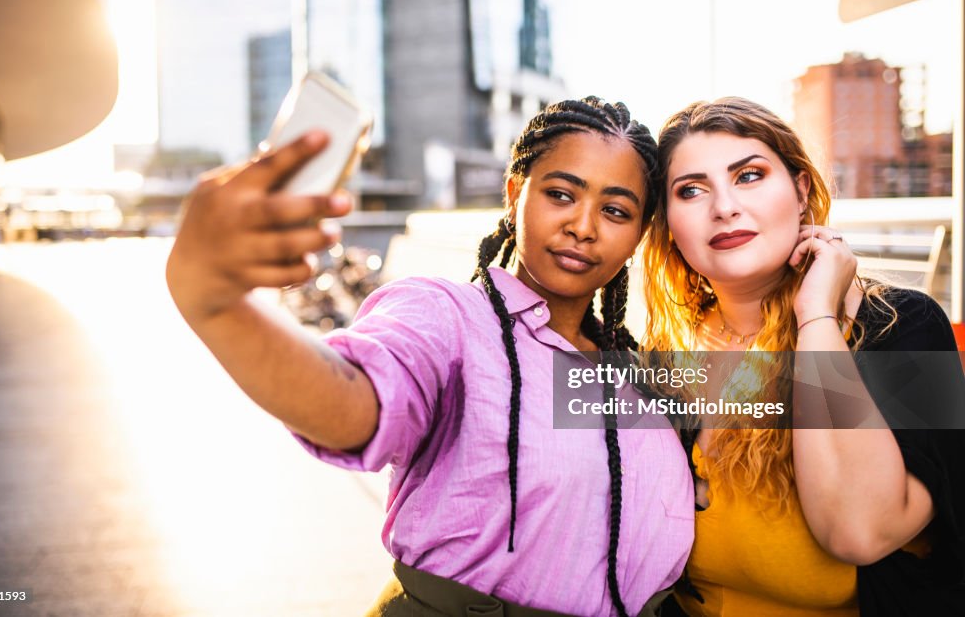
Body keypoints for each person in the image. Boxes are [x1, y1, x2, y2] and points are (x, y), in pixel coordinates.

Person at [166, 97, 694, 616]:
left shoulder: (639, 373)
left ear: (640, 235)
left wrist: (772, 275)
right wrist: (217, 306)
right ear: (515, 195)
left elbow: (770, 398)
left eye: (615, 210)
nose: (583, 225)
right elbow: (356, 401)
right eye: (560, 194)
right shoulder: (450, 318)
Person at [642, 96, 965, 615]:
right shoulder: (662, 356)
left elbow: (860, 533)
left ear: (801, 189)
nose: (723, 207)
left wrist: (816, 315)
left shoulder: (906, 329)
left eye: (748, 176)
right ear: (670, 226)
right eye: (692, 190)